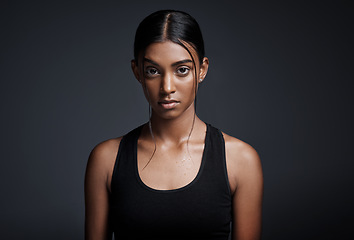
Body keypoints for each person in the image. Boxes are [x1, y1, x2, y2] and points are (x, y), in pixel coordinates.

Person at [85, 10, 263, 240]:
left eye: (182, 70)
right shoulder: (106, 160)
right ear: (137, 72)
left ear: (202, 70)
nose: (167, 87)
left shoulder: (240, 160)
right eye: (153, 71)